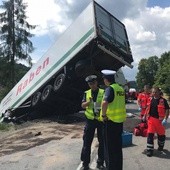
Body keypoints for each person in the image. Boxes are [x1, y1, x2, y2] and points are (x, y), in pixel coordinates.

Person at [100, 70, 126, 170]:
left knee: (109, 149)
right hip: (119, 122)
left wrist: (103, 115)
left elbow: (104, 103)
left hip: (110, 122)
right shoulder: (120, 88)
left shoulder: (110, 89)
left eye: (104, 79)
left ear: (106, 79)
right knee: (117, 148)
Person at [80, 75, 105, 170]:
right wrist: (88, 102)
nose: (92, 85)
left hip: (100, 121)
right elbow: (82, 105)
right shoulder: (86, 93)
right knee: (87, 143)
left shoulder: (103, 92)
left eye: (93, 83)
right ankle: (85, 164)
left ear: (96, 82)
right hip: (90, 121)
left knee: (102, 142)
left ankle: (100, 162)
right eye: (90, 84)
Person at [143, 87, 169, 157]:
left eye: (155, 92)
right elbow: (147, 108)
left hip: (160, 122)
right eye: (153, 92)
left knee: (161, 136)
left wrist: (165, 119)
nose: (154, 93)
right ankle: (150, 150)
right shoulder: (150, 99)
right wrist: (144, 115)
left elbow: (167, 109)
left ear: (159, 92)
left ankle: (161, 146)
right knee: (150, 135)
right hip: (151, 120)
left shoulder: (163, 100)